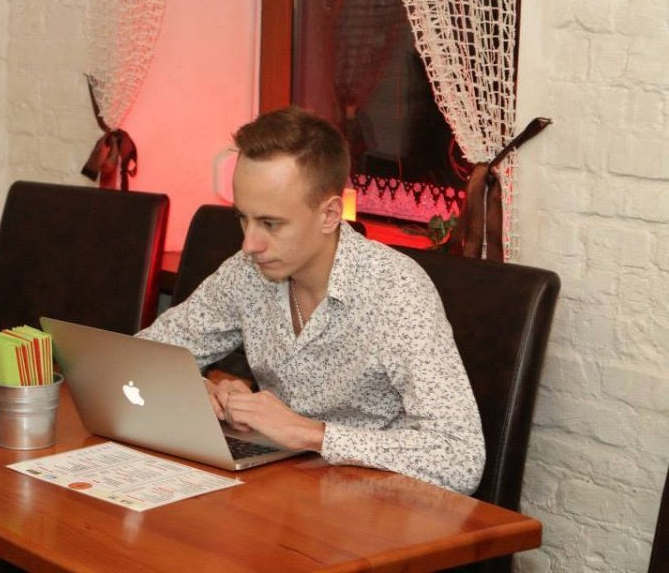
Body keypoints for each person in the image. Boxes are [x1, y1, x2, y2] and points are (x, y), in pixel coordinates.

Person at [137, 106, 485, 494]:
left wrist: (311, 434)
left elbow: (460, 457)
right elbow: (144, 354)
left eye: (270, 223)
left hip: (375, 502)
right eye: (242, 218)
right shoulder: (247, 271)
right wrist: (200, 388)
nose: (249, 243)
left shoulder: (395, 291)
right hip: (280, 487)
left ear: (330, 214)